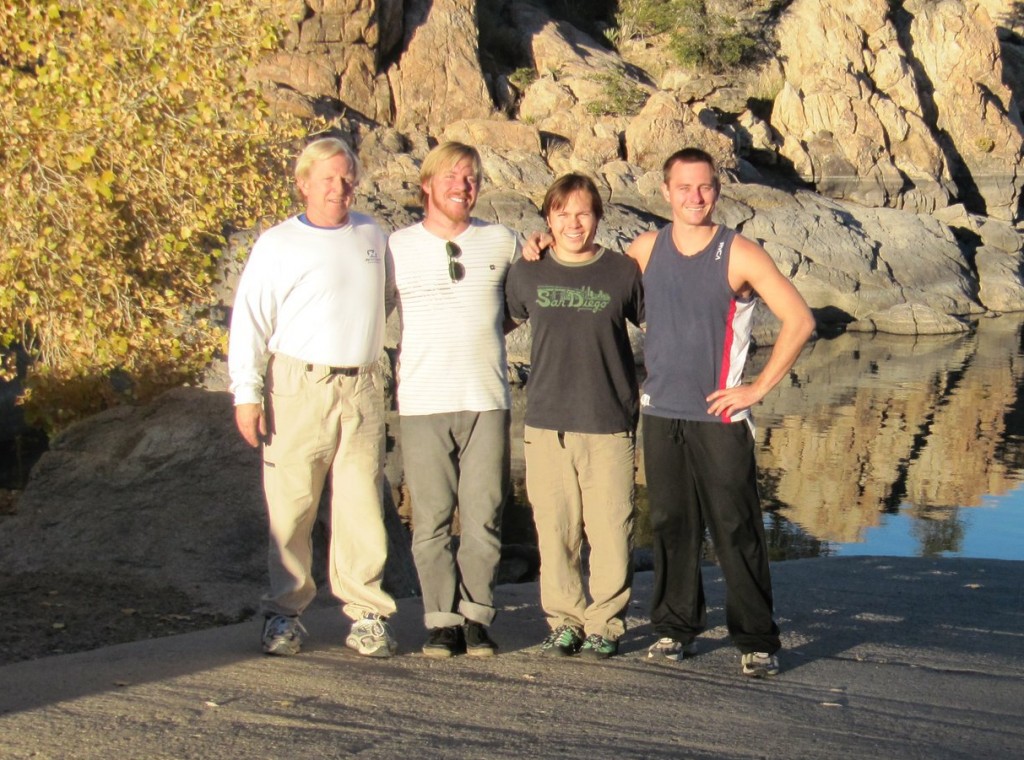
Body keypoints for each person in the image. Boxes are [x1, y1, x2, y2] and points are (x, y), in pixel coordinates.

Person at [627, 147, 815, 677]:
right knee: (670, 525)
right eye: (684, 187)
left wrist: (756, 388)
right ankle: (674, 629)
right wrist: (542, 245)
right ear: (665, 191)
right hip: (661, 413)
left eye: (705, 186)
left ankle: (756, 640)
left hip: (720, 419)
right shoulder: (644, 249)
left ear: (718, 190)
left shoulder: (740, 254)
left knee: (736, 528)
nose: (695, 197)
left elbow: (799, 320)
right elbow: (592, 284)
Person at [228, 137, 398, 658]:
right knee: (294, 502)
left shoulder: (374, 233)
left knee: (361, 502)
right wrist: (247, 393)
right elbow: (250, 321)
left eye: (347, 177)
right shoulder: (277, 244)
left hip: (363, 383)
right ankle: (284, 614)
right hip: (299, 386)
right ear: (303, 183)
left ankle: (367, 612)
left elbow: (392, 298)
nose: (339, 187)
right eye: (327, 178)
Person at [387, 142, 520, 658]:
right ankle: (441, 620)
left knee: (484, 515)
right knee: (432, 518)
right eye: (452, 177)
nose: (462, 186)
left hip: (486, 397)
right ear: (427, 184)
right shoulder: (397, 247)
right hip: (422, 399)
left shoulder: (501, 240)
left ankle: (477, 617)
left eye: (471, 179)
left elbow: (520, 302)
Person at [505, 174, 644, 660]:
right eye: (562, 214)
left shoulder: (622, 272)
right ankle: (565, 621)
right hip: (546, 424)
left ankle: (605, 623)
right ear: (548, 218)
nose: (572, 223)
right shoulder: (528, 272)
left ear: (598, 218)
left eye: (582, 213)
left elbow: (661, 327)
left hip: (607, 421)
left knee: (609, 531)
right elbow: (496, 322)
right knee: (556, 531)